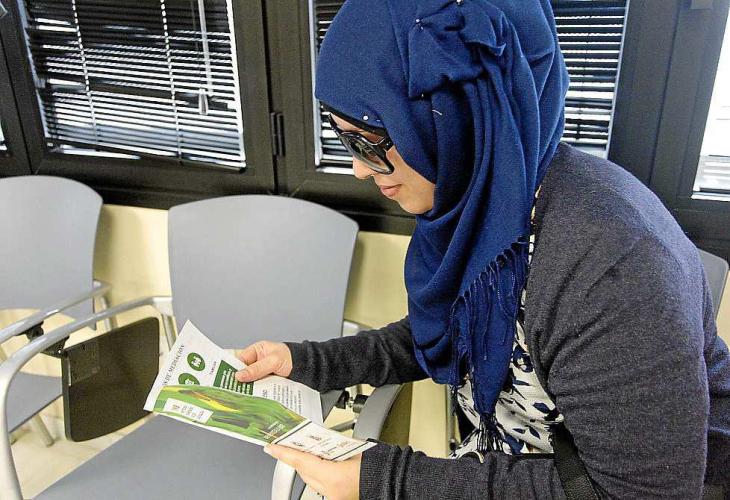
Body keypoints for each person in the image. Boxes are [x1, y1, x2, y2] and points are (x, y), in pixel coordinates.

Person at [235, 0, 730, 498]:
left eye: (369, 143)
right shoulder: (486, 200)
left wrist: (386, 481)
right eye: (345, 141)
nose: (360, 170)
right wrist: (307, 363)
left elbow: (637, 492)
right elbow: (454, 330)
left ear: (455, 117)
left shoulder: (612, 262)